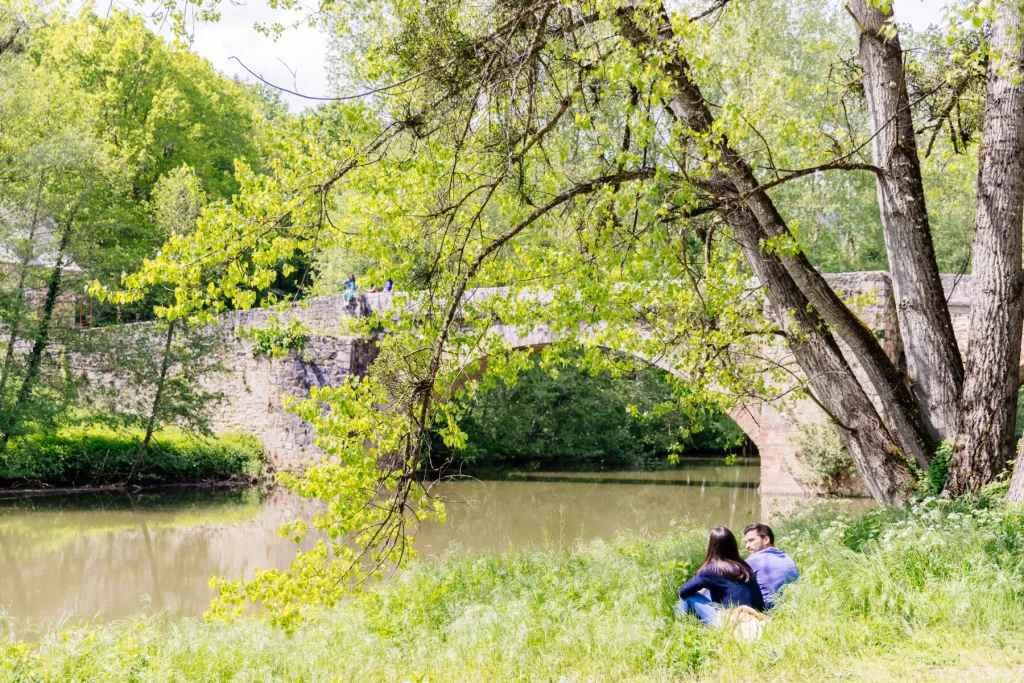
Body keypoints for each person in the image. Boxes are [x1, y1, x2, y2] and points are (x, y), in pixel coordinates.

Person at [676, 526, 765, 626]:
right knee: (709, 592)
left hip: (731, 622)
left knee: (690, 596)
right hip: (755, 617)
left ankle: (676, 626)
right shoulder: (744, 566)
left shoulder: (711, 569)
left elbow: (683, 591)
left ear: (712, 546)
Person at [744, 523, 799, 609]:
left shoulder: (752, 560)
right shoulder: (786, 556)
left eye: (751, 540)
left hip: (769, 611)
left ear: (766, 540)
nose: (747, 546)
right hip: (794, 604)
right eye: (746, 542)